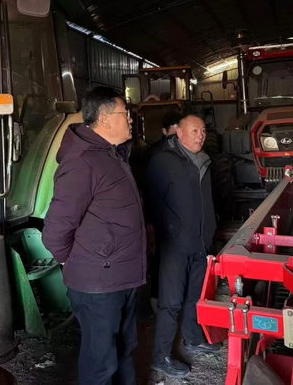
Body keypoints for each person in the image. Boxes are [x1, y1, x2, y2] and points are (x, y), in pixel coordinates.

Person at [42, 86, 146, 385]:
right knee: (101, 363)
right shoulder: (82, 162)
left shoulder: (112, 154)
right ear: (104, 119)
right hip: (98, 283)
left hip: (120, 276)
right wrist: (77, 262)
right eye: (125, 114)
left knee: (124, 349)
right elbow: (56, 230)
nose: (130, 120)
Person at [145, 114, 220, 379]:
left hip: (200, 242)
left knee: (195, 296)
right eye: (194, 131)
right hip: (175, 244)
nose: (201, 135)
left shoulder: (203, 160)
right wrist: (170, 230)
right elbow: (152, 201)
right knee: (171, 302)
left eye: (203, 130)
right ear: (179, 133)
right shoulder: (163, 160)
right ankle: (161, 356)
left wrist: (211, 228)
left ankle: (193, 338)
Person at [143, 110, 183, 314]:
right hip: (161, 216)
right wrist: (151, 221)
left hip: (181, 216)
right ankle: (156, 298)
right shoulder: (153, 154)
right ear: (164, 131)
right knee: (161, 256)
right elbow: (149, 190)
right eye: (173, 134)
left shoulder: (188, 151)